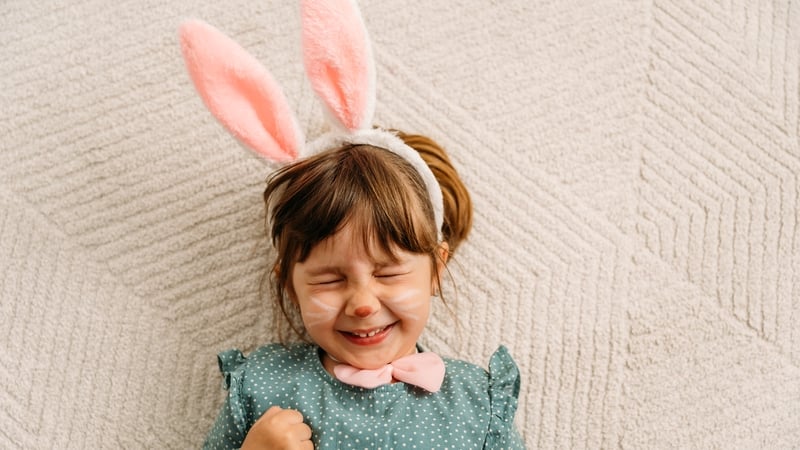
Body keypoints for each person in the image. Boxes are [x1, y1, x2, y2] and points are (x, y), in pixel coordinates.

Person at [178, 1, 525, 448]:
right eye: (329, 278)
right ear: (289, 284)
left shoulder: (474, 404)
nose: (362, 303)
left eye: (388, 272)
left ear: (437, 267)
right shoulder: (265, 387)